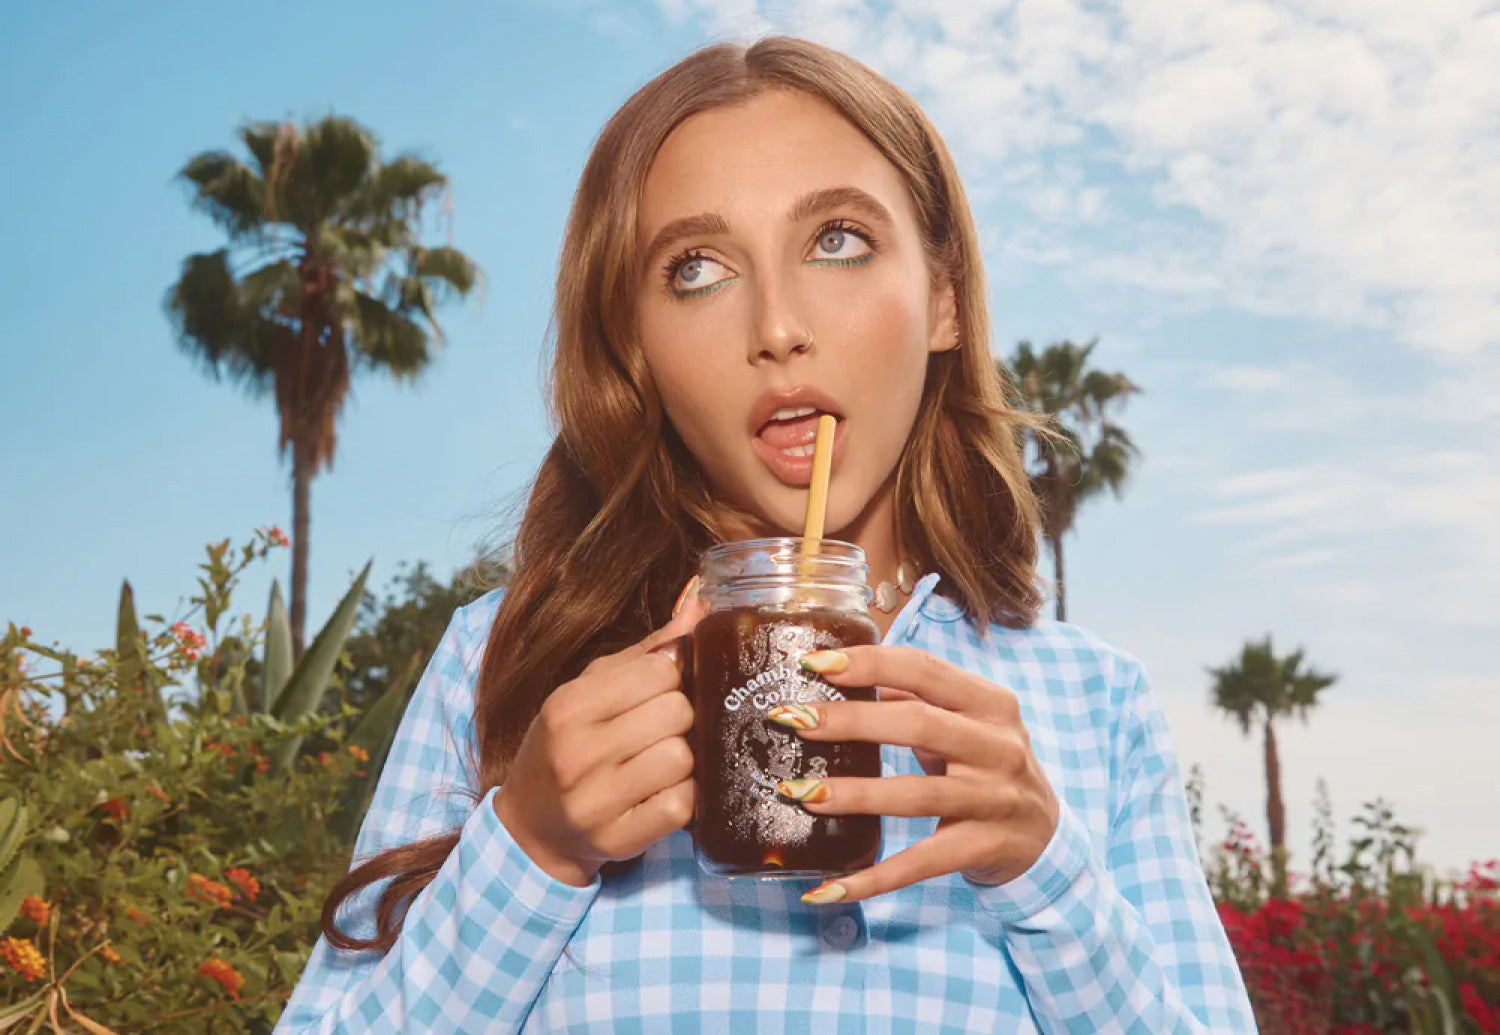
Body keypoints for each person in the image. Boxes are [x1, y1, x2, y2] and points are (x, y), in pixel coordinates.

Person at [275, 37, 1257, 1034]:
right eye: (697, 269)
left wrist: (1049, 880)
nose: (778, 327)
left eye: (837, 240)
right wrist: (529, 847)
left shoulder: (1094, 705)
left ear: (943, 302)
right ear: (638, 349)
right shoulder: (499, 666)